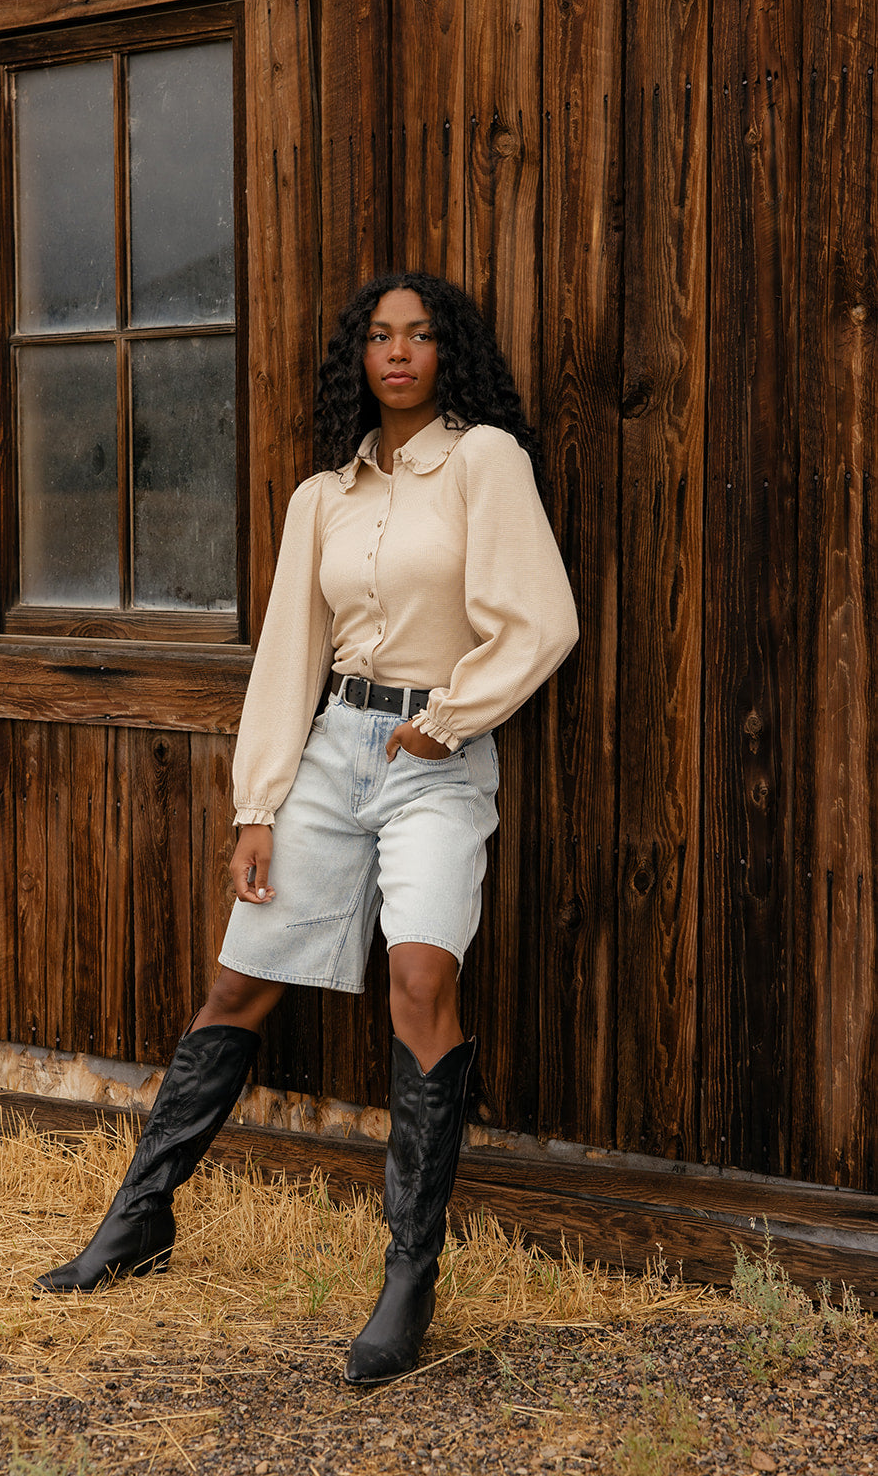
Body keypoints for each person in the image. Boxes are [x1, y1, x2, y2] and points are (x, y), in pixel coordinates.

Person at [35, 272, 579, 1385]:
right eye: (379, 336)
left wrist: (449, 721)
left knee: (421, 983)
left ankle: (405, 1280)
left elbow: (542, 620)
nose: (399, 353)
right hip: (331, 757)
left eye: (420, 335)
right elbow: (288, 657)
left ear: (446, 353)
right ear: (357, 357)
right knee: (237, 986)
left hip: (434, 763)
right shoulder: (322, 495)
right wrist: (257, 805)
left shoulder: (484, 462)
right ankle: (139, 1217)